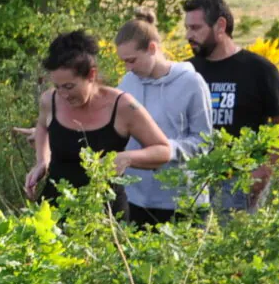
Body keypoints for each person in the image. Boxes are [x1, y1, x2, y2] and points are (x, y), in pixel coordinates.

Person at [23, 29, 175, 211]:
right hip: (55, 209)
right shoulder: (50, 100)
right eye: (58, 86)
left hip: (105, 214)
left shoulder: (123, 106)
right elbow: (42, 127)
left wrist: (126, 158)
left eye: (69, 86)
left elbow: (163, 151)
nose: (63, 94)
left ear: (91, 75)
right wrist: (42, 161)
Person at [180, 0, 279, 212]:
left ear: (220, 25)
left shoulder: (259, 70)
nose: (188, 35)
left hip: (241, 180)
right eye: (187, 28)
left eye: (196, 28)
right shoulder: (186, 71)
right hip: (194, 180)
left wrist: (264, 171)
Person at [112, 10, 212, 226]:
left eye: (132, 61)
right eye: (124, 62)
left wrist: (162, 150)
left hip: (182, 202)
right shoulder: (128, 83)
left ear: (152, 49)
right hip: (136, 199)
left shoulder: (191, 83)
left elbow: (203, 142)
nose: (128, 68)